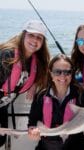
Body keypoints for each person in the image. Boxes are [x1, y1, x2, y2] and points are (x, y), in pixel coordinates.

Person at [0, 19, 50, 147]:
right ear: (23, 35)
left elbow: (46, 74)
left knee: (0, 140)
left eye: (39, 37)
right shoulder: (7, 55)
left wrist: (34, 84)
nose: (35, 40)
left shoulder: (36, 62)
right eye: (31, 35)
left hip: (2, 107)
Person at [28, 54, 84, 150]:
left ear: (72, 74)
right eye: (58, 72)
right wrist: (32, 131)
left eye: (67, 72)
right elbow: (32, 122)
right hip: (46, 146)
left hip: (76, 146)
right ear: (50, 73)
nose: (63, 76)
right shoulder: (41, 96)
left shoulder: (81, 96)